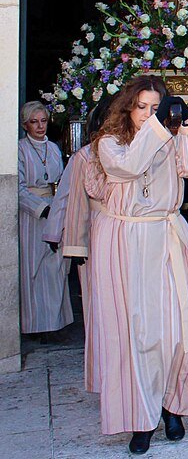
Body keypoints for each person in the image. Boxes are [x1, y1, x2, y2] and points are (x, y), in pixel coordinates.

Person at [87, 76, 188, 453]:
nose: (148, 115)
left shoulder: (168, 138)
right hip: (126, 241)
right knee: (136, 332)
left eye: (156, 108)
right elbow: (128, 167)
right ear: (128, 108)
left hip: (167, 235)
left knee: (177, 328)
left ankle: (172, 405)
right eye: (142, 107)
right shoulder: (109, 143)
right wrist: (159, 127)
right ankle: (140, 417)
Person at [43, 98, 111, 393]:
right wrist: (67, 240)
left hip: (131, 235)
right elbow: (69, 199)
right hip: (95, 234)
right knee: (100, 305)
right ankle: (104, 370)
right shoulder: (84, 157)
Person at [18, 101, 70, 337]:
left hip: (54, 209)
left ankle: (55, 323)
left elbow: (61, 181)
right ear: (25, 125)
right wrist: (41, 208)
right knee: (34, 268)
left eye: (43, 121)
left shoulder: (53, 148)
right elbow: (17, 188)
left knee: (55, 268)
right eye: (34, 122)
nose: (40, 126)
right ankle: (35, 325)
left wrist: (59, 207)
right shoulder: (20, 150)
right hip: (32, 216)